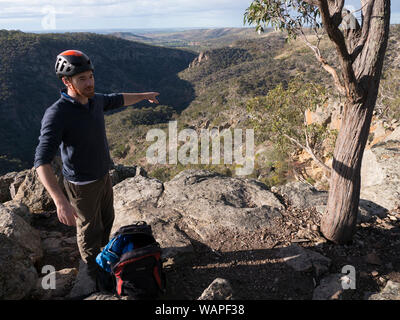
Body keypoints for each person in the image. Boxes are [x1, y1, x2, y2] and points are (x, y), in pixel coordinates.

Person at [34, 49, 159, 282]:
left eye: (90, 76)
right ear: (66, 81)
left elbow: (119, 98)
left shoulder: (94, 100)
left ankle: (105, 262)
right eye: (82, 78)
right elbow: (41, 161)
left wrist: (144, 95)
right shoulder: (57, 114)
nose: (89, 82)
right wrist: (60, 201)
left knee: (106, 223)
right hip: (81, 186)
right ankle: (94, 276)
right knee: (89, 233)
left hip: (103, 177)